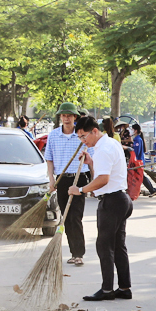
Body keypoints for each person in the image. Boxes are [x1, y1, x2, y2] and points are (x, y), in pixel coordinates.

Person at [71, 116, 132, 302]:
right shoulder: (110, 144)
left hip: (112, 201)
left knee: (104, 246)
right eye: (80, 138)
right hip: (121, 199)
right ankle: (124, 287)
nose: (83, 141)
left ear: (94, 131)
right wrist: (90, 162)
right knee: (118, 246)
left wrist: (80, 190)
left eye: (83, 136)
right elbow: (105, 171)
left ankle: (107, 290)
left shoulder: (104, 149)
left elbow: (103, 179)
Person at [44, 102, 91, 266]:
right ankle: (73, 252)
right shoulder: (53, 135)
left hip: (79, 178)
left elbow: (91, 158)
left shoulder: (82, 136)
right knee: (65, 217)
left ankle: (79, 253)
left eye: (69, 116)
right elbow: (49, 160)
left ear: (75, 117)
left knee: (75, 216)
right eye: (63, 115)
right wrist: (51, 180)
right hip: (62, 179)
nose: (66, 118)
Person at [131, 123, 156, 196]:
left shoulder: (137, 140)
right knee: (139, 177)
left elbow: (136, 152)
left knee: (141, 177)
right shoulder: (137, 139)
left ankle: (152, 190)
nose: (131, 131)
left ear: (135, 131)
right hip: (139, 161)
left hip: (138, 161)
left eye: (132, 129)